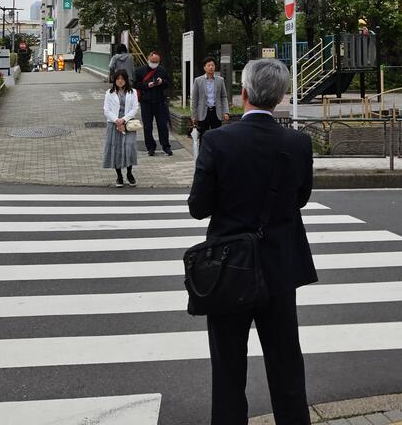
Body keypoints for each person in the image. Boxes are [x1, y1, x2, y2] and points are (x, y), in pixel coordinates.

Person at [188, 58, 316, 425]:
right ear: (279, 97)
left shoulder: (217, 141)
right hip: (278, 267)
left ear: (242, 94)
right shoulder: (298, 142)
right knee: (286, 364)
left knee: (228, 370)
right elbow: (300, 198)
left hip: (228, 271)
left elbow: (198, 208)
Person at [103, 69, 139, 187]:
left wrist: (123, 119)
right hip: (114, 124)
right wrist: (116, 120)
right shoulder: (110, 92)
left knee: (129, 148)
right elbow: (106, 110)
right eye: (118, 79)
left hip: (128, 124)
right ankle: (119, 176)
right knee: (116, 149)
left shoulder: (132, 92)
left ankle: (129, 173)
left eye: (122, 79)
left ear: (126, 80)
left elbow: (135, 108)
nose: (120, 81)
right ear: (114, 80)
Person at [135, 51, 172, 156]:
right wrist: (147, 85)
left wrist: (162, 82)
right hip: (146, 102)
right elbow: (135, 84)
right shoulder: (140, 71)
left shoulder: (162, 70)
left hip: (160, 101)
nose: (154, 63)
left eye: (157, 62)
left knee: (163, 125)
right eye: (152, 61)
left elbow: (168, 83)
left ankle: (166, 146)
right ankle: (150, 147)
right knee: (147, 126)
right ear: (148, 60)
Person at [190, 56, 230, 139]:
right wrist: (193, 115)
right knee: (203, 136)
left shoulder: (220, 80)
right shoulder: (198, 80)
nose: (211, 67)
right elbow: (194, 98)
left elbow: (224, 97)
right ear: (204, 68)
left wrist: (226, 111)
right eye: (208, 65)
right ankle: (203, 152)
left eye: (213, 65)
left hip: (216, 112)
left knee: (217, 136)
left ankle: (216, 152)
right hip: (203, 112)